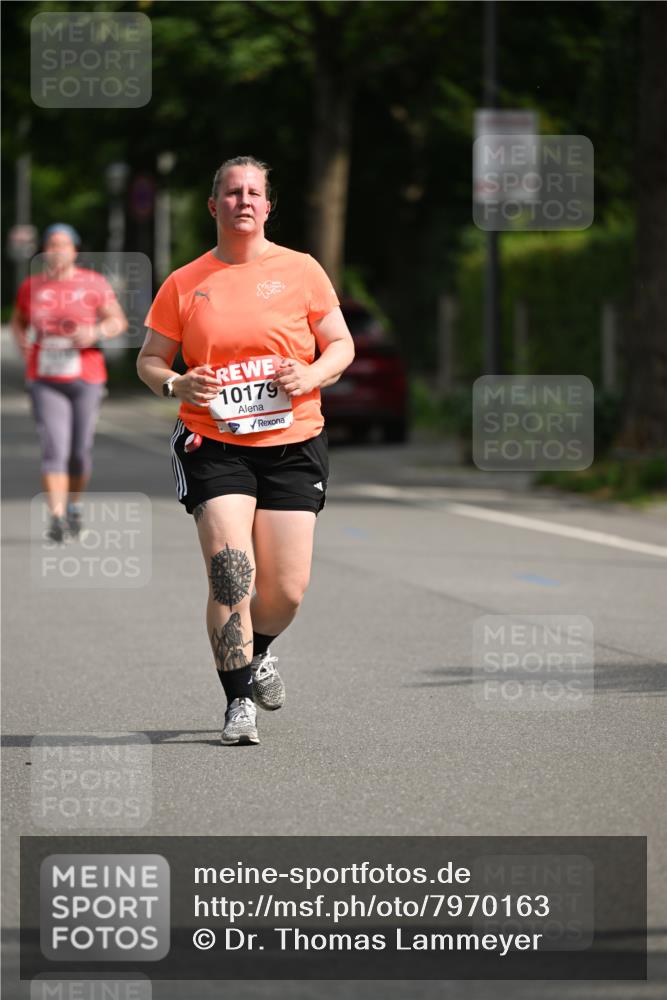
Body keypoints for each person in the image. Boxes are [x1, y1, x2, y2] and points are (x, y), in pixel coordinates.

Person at [137, 155, 355, 746]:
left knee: (285, 590)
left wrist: (312, 376)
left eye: (254, 193)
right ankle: (237, 703)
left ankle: (257, 654)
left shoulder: (302, 270)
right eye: (232, 193)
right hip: (214, 443)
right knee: (233, 575)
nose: (243, 202)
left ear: (268, 205)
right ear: (214, 206)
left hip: (294, 440)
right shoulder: (186, 282)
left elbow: (340, 344)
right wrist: (176, 383)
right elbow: (150, 360)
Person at [11, 224, 128, 542]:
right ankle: (57, 517)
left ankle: (74, 505)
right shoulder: (31, 286)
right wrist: (23, 345)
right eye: (51, 244)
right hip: (45, 379)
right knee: (54, 449)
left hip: (85, 376)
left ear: (75, 251)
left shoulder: (93, 283)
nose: (57, 250)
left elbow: (118, 321)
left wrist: (96, 332)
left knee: (79, 452)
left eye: (63, 244)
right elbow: (18, 321)